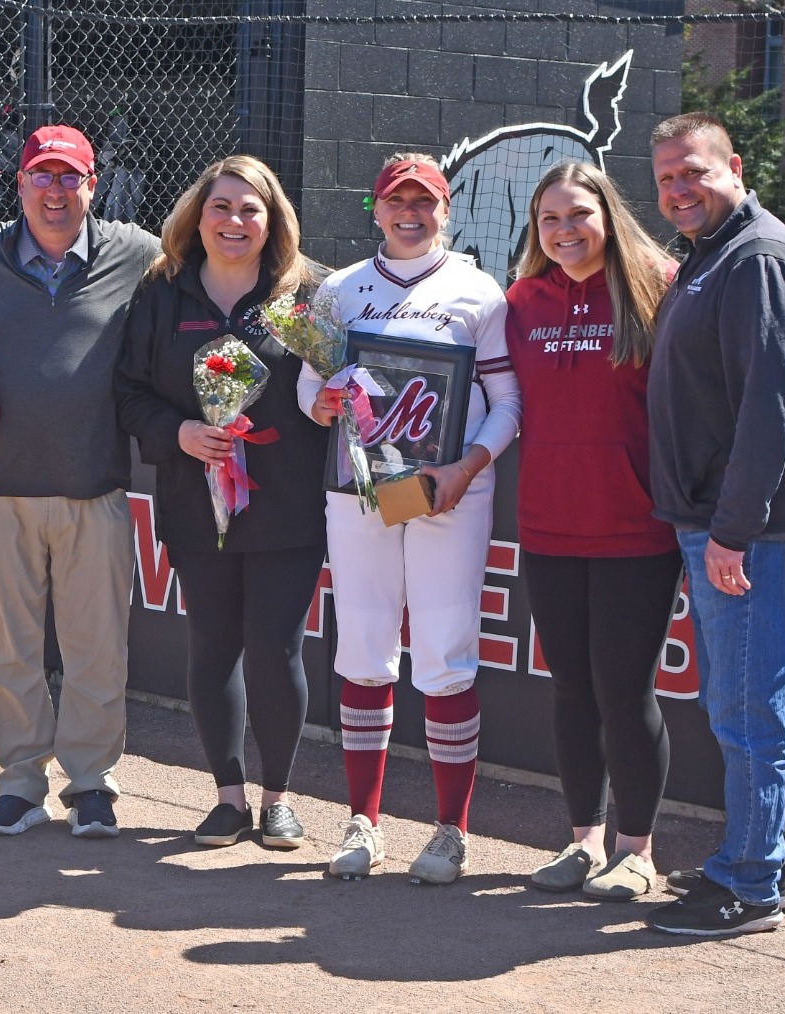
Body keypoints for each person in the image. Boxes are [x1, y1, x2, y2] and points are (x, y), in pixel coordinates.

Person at [0, 124, 160, 838]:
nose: (55, 192)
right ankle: (21, 782)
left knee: (97, 650)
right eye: (42, 176)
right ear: (19, 182)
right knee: (7, 653)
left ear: (93, 186)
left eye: (70, 178)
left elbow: (222, 271)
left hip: (96, 488)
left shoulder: (138, 254)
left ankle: (90, 783)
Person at [645, 113, 785, 936]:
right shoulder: (714, 254)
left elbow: (768, 410)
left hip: (749, 530)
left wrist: (731, 530)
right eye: (663, 180)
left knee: (746, 709)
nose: (677, 190)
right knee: (732, 702)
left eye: (691, 172)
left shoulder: (755, 257)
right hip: (722, 520)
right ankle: (754, 856)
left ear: (731, 165)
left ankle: (753, 885)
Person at [299, 153, 521, 884]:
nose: (409, 213)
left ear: (445, 211)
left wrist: (468, 467)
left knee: (445, 655)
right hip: (359, 485)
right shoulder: (337, 290)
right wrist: (321, 403)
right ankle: (364, 820)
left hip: (442, 491)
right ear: (375, 208)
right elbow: (308, 388)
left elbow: (507, 403)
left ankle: (449, 831)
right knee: (362, 647)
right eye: (396, 200)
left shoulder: (478, 290)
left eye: (422, 201)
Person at [116, 156, 326, 848]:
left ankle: (278, 799)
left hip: (285, 504)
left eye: (249, 210)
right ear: (196, 217)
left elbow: (337, 387)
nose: (234, 221)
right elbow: (128, 393)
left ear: (273, 223)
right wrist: (176, 432)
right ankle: (228, 797)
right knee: (211, 646)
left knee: (275, 650)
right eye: (220, 207)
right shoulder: (162, 294)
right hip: (192, 500)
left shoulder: (301, 297)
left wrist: (332, 402)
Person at [504, 161, 682, 900]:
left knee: (622, 689)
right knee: (569, 688)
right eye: (549, 220)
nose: (564, 231)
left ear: (607, 215)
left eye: (578, 215)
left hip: (634, 529)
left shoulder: (656, 287)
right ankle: (581, 841)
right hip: (547, 524)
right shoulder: (518, 301)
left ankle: (635, 851)